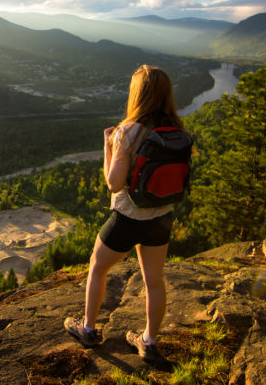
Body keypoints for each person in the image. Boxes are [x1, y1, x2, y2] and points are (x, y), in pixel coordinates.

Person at [64, 64, 183, 361]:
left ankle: (88, 330)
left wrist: (108, 146)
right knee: (154, 280)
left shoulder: (127, 132)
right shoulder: (176, 131)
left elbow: (114, 184)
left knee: (97, 266)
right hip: (161, 217)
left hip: (128, 218)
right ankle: (149, 341)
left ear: (137, 94)